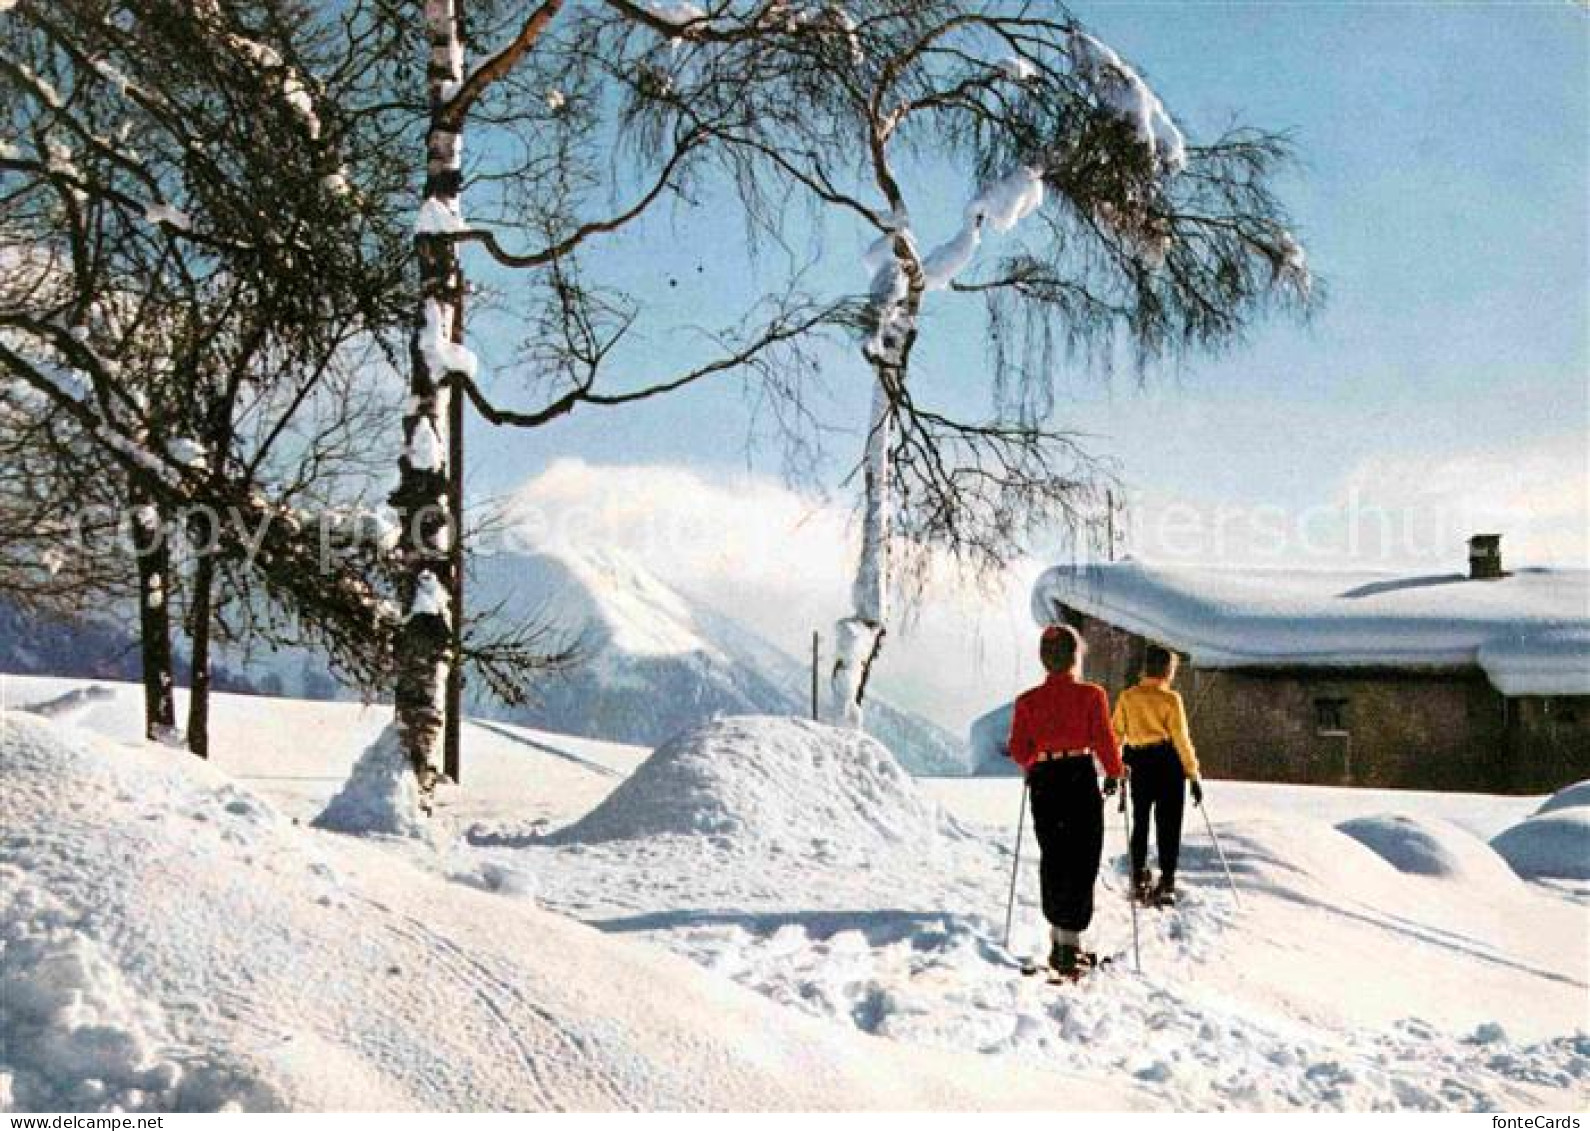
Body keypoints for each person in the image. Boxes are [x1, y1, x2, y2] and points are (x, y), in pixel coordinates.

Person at [1007, 624, 1124, 976]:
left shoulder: (1027, 701)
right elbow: (1104, 740)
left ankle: (1059, 942)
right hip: (1078, 777)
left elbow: (1018, 749)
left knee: (1054, 855)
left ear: (1044, 659)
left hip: (1045, 781)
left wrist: (1037, 762)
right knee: (1082, 856)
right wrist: (1116, 772)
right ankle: (1070, 947)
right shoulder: (1092, 695)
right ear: (1074, 656)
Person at [1113, 644, 1203, 908]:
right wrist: (1193, 773)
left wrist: (1113, 766)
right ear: (1168, 670)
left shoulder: (1128, 697)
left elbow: (1115, 733)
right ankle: (1167, 879)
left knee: (1140, 821)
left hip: (1137, 762)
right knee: (1169, 823)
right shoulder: (1171, 700)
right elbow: (1181, 739)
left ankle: (1139, 875)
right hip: (1167, 763)